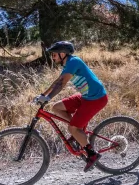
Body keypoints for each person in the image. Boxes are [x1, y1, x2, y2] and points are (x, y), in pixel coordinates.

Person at [33, 41, 108, 172]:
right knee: (57, 108)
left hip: (96, 98)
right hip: (86, 96)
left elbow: (61, 83)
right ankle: (78, 132)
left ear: (62, 54)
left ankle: (92, 154)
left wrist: (48, 98)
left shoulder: (74, 62)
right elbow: (57, 81)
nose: (53, 57)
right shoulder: (67, 64)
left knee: (72, 128)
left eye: (54, 55)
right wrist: (42, 95)